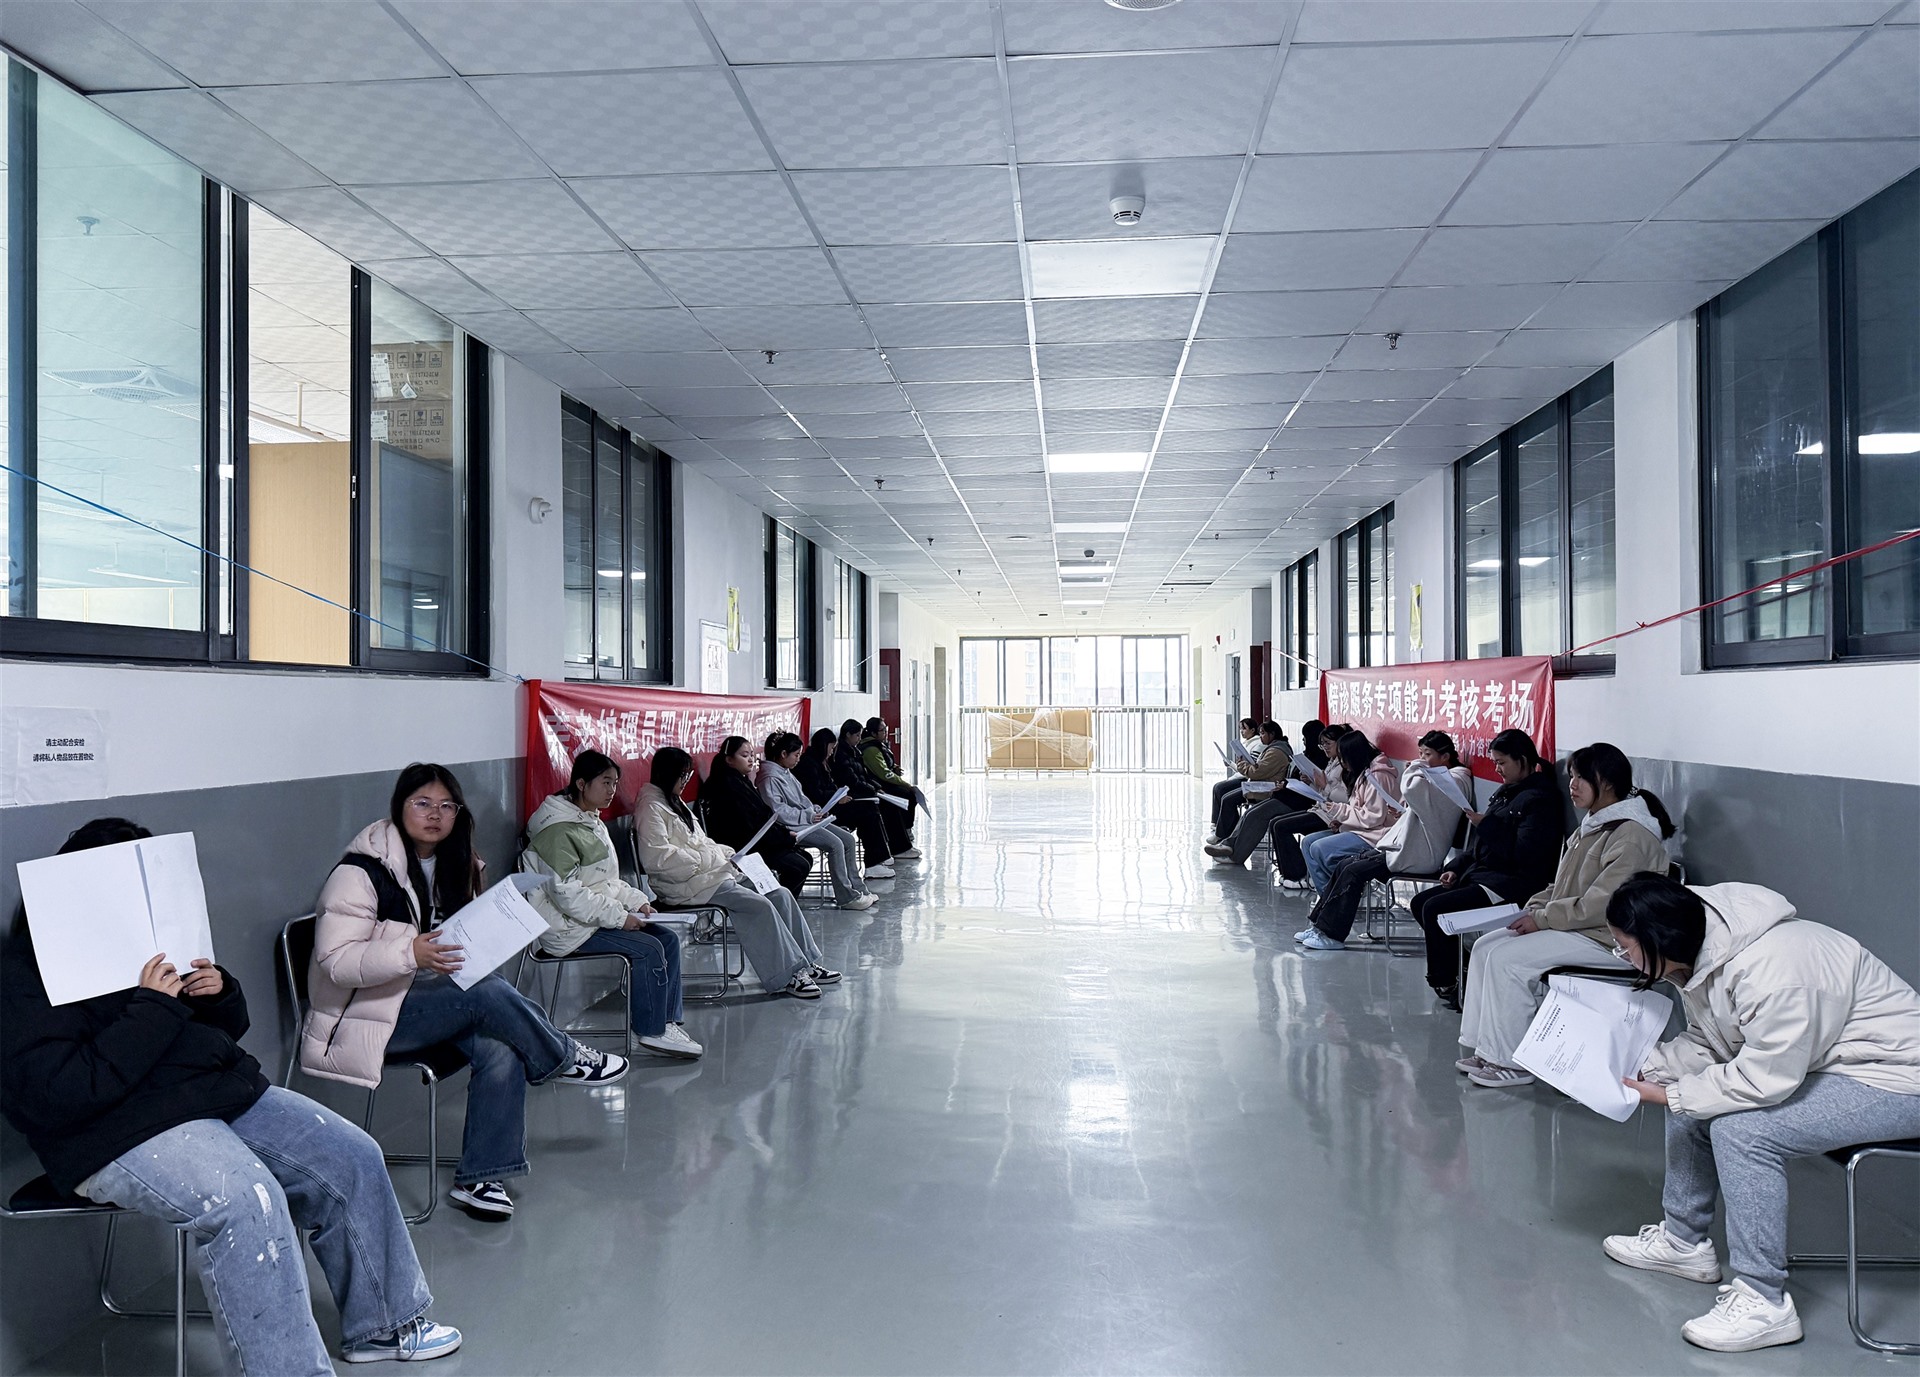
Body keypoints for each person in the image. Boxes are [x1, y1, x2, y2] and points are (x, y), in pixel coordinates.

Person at [3, 818, 463, 1371]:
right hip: (115, 1129)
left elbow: (222, 1032)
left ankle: (383, 1325)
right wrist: (154, 1008)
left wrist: (218, 993)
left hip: (210, 1094)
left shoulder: (148, 938)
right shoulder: (23, 973)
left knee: (352, 1154)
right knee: (248, 1200)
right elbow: (56, 1094)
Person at [1600, 874, 1920, 1353]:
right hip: (1830, 1064)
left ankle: (1765, 1303)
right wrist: (1649, 1071)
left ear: (1659, 938)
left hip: (1898, 1078)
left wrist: (1671, 1096)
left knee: (1742, 1131)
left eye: (1625, 948)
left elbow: (1763, 1078)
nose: (1622, 957)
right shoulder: (1704, 951)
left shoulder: (1773, 969)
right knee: (1690, 1093)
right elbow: (1714, 1042)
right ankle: (1683, 1244)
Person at [304, 763, 628, 1222]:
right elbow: (335, 962)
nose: (435, 814)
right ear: (399, 806)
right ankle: (563, 1056)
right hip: (366, 1017)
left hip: (433, 1002)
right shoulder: (360, 872)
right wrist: (409, 953)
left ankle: (481, 1178)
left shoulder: (457, 864)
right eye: (422, 803)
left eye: (446, 806)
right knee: (484, 994)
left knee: (500, 1046)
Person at [1456, 743, 1675, 1090]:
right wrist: (1534, 908)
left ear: (1605, 782)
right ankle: (1486, 1049)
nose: (1571, 785)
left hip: (1612, 940)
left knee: (1508, 960)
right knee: (1486, 947)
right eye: (1571, 776)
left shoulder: (1631, 835)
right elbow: (1562, 887)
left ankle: (1510, 1062)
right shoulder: (1595, 825)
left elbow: (1603, 905)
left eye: (1580, 778)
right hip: (1581, 928)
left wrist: (1543, 920)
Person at [521, 748, 703, 1060]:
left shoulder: (589, 820)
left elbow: (606, 881)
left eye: (615, 783)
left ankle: (665, 1022)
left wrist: (638, 902)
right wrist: (620, 917)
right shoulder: (556, 830)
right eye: (606, 782)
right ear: (581, 784)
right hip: (567, 928)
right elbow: (568, 896)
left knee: (667, 939)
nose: (612, 791)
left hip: (589, 917)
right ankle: (650, 1031)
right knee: (648, 948)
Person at [636, 747, 838, 1000]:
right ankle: (787, 974)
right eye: (682, 775)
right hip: (683, 885)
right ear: (667, 774)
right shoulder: (651, 808)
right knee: (758, 906)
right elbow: (657, 859)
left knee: (779, 893)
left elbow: (702, 843)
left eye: (688, 774)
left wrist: (728, 854)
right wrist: (712, 859)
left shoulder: (674, 802)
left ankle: (805, 963)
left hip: (709, 876)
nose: (686, 780)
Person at [1409, 728, 1562, 1009]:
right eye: (1494, 762)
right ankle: (1464, 971)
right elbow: (1479, 847)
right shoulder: (1507, 793)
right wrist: (1456, 867)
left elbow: (1525, 855)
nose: (1497, 769)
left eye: (1501, 763)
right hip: (1484, 876)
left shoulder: (1540, 800)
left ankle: (1449, 981)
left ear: (1522, 759)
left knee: (1435, 909)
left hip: (1511, 884)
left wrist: (1487, 825)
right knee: (1420, 903)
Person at [1293, 730, 1476, 951]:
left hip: (1417, 854)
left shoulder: (1455, 780)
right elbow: (1422, 809)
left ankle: (1332, 935)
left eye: (1427, 754)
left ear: (1445, 757)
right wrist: (1402, 812)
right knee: (1344, 865)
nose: (1420, 759)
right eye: (1420, 754)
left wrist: (1415, 768)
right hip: (1403, 845)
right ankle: (1319, 926)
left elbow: (1413, 790)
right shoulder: (1438, 777)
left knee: (1352, 871)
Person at [760, 730, 876, 911]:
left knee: (848, 839)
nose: (798, 759)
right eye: (796, 755)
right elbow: (778, 811)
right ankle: (847, 897)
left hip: (806, 821)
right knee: (835, 844)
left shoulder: (785, 772)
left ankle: (859, 889)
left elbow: (802, 798)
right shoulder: (769, 778)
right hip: (791, 827)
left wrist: (815, 810)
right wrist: (807, 815)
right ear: (783, 754)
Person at [700, 736, 814, 896]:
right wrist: (784, 838)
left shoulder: (741, 780)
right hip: (743, 847)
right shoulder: (727, 786)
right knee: (798, 866)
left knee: (805, 859)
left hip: (757, 840)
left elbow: (762, 817)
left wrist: (784, 835)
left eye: (752, 755)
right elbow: (749, 825)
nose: (751, 759)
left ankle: (783, 904)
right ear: (729, 760)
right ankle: (777, 904)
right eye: (744, 755)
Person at [1293, 730, 1402, 899]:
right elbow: (1358, 808)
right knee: (1308, 843)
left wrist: (1339, 812)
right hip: (1361, 830)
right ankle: (1329, 898)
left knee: (1319, 848)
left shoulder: (1378, 776)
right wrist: (1342, 821)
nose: (1343, 764)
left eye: (1344, 759)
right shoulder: (1364, 772)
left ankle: (1346, 892)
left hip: (1376, 835)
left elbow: (1373, 818)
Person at [799, 726, 895, 880]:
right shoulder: (808, 764)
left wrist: (840, 794)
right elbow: (814, 794)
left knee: (870, 807)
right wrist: (837, 798)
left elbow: (828, 787)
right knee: (867, 813)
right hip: (823, 811)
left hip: (832, 805)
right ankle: (873, 863)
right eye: (831, 748)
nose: (832, 752)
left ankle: (879, 857)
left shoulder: (821, 761)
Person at [1269, 723, 1349, 889]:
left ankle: (1297, 875)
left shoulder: (1345, 766)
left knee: (1282, 827)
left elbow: (1345, 797)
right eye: (1322, 744)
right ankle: (1289, 873)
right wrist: (1311, 783)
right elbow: (1324, 791)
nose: (1325, 747)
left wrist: (1323, 785)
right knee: (1275, 822)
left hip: (1332, 815)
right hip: (1321, 809)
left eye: (1328, 743)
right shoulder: (1332, 762)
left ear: (1340, 742)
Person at [837, 719, 918, 859]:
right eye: (857, 735)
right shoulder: (844, 754)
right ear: (848, 735)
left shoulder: (854, 751)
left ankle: (898, 846)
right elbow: (853, 780)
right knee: (886, 807)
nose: (859, 738)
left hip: (864, 791)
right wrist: (873, 790)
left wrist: (876, 787)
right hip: (854, 795)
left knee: (893, 803)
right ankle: (889, 853)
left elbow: (864, 775)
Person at [1206, 720, 1293, 844]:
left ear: (1272, 734)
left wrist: (1241, 764)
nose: (1260, 736)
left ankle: (1223, 835)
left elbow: (1256, 772)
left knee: (1228, 799)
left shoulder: (1276, 752)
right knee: (1226, 796)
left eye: (1263, 733)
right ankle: (1226, 833)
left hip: (1266, 788)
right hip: (1260, 784)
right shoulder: (1273, 748)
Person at [860, 717, 927, 820]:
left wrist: (894, 767)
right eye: (882, 730)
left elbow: (884, 761)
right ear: (873, 733)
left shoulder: (879, 744)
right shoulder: (870, 749)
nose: (886, 732)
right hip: (880, 784)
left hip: (883, 782)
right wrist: (905, 784)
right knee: (908, 794)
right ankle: (905, 825)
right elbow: (884, 773)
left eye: (886, 729)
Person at [1208, 718, 1262, 838]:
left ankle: (1227, 826)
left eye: (1244, 728)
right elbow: (1243, 767)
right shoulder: (1247, 743)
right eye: (1240, 729)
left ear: (1253, 730)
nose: (1241, 731)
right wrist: (1231, 764)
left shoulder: (1258, 744)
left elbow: (1250, 769)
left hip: (1247, 779)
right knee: (1219, 788)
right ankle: (1220, 823)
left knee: (1221, 789)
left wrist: (1236, 765)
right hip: (1242, 775)